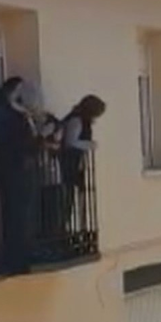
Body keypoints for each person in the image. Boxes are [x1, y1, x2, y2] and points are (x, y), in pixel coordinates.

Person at [0, 77, 39, 274]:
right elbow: (9, 137)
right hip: (13, 165)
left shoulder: (20, 112)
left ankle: (23, 250)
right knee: (16, 211)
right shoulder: (3, 111)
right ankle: (14, 254)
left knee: (24, 210)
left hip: (22, 165)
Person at [61, 94, 107, 226]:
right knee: (67, 200)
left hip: (75, 166)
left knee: (73, 200)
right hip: (69, 165)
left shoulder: (79, 120)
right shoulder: (76, 121)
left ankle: (71, 226)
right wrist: (89, 144)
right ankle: (65, 228)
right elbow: (70, 142)